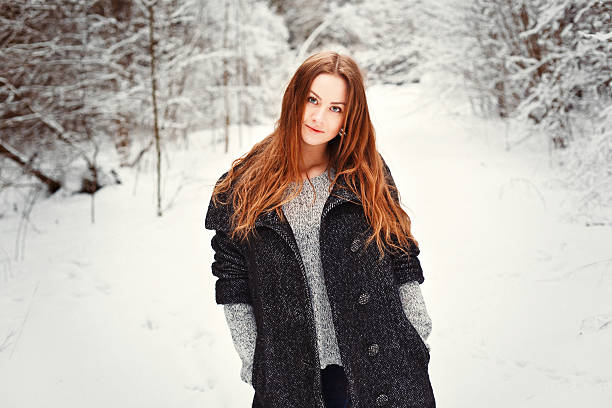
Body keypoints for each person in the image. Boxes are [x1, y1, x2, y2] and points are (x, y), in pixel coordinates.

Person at [205, 51, 435, 408]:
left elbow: (399, 251)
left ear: (347, 117)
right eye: (312, 99)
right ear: (293, 97)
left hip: (379, 363)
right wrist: (254, 361)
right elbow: (233, 283)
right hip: (292, 376)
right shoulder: (241, 188)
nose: (318, 116)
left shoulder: (365, 174)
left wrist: (417, 333)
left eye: (335, 108)